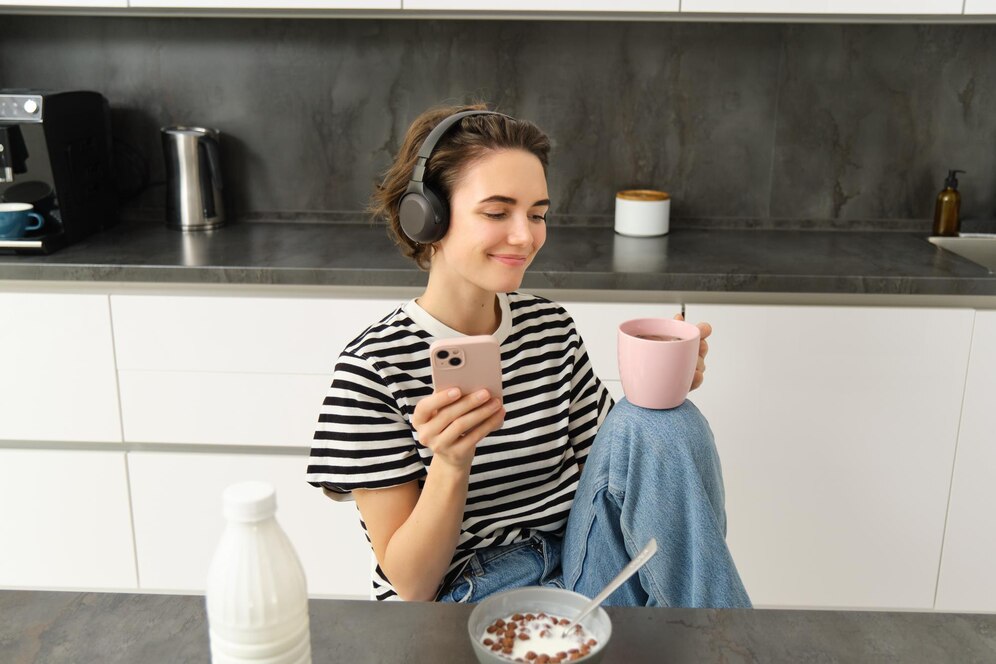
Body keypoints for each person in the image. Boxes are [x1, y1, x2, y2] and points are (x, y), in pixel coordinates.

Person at [306, 102, 751, 608]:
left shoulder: (550, 327)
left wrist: (661, 388)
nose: (526, 236)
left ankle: (722, 642)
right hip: (466, 599)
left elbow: (616, 481)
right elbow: (411, 586)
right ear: (426, 216)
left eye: (537, 214)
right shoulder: (373, 370)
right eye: (497, 212)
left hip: (582, 569)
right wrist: (452, 463)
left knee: (668, 423)